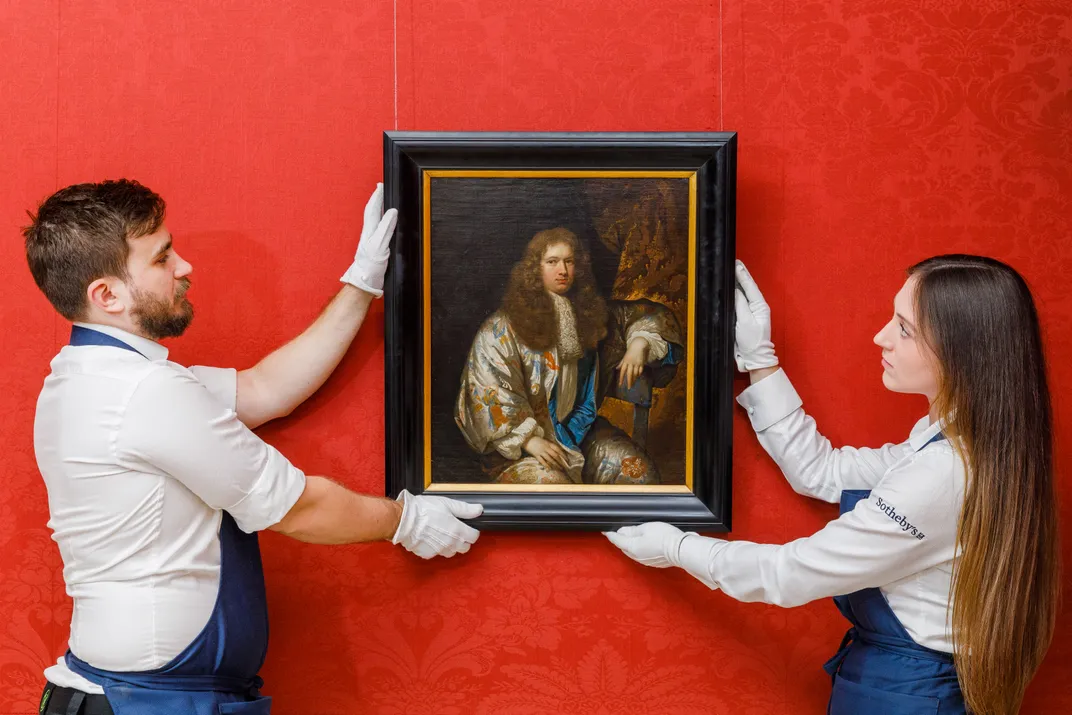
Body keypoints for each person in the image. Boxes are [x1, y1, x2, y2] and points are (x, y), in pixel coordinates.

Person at [24, 179, 483, 715]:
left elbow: (265, 389)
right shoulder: (145, 392)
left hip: (124, 692)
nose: (184, 266)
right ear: (107, 295)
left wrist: (361, 282)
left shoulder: (94, 378)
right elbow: (297, 508)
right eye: (161, 258)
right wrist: (405, 520)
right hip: (145, 702)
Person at [605, 257, 1059, 714]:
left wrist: (674, 546)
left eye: (903, 328)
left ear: (961, 351)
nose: (881, 337)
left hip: (909, 696)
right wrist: (761, 360)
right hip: (889, 684)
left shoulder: (942, 473)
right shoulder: (951, 445)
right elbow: (822, 471)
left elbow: (790, 572)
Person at [455, 227, 683, 485]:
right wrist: (529, 439)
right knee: (554, 489)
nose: (562, 270)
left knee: (638, 473)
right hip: (521, 449)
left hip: (579, 433)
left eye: (569, 261)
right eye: (552, 262)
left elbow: (649, 316)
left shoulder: (590, 314)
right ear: (534, 269)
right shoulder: (500, 329)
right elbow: (485, 391)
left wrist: (640, 343)